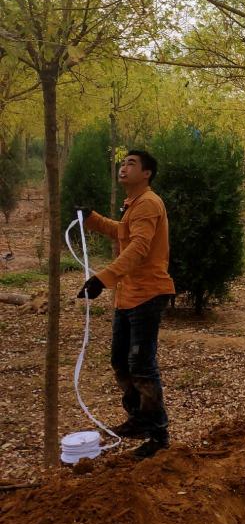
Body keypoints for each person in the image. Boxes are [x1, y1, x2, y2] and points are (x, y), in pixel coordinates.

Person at [75, 149, 175, 459]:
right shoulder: (134, 205)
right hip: (129, 296)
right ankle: (138, 420)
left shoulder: (148, 203)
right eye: (122, 163)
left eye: (131, 163)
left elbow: (139, 248)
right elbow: (122, 231)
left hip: (147, 294)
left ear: (147, 173)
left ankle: (158, 435)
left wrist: (102, 278)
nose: (123, 167)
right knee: (121, 362)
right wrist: (91, 219)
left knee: (142, 366)